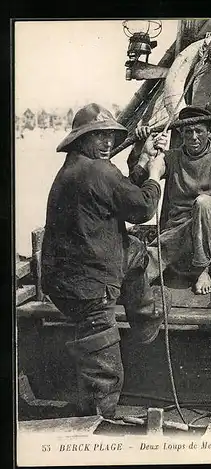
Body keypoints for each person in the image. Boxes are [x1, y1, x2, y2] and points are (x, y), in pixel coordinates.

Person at [41, 103, 171, 419]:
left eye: (111, 136)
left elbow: (116, 192)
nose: (108, 143)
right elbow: (140, 208)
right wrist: (155, 175)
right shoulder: (98, 170)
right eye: (99, 136)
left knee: (135, 250)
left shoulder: (79, 168)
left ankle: (144, 323)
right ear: (81, 139)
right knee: (104, 369)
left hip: (66, 278)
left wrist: (141, 160)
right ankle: (97, 423)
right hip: (88, 287)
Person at [128, 105, 211, 295]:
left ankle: (201, 269)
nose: (194, 137)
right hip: (179, 232)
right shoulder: (171, 158)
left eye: (199, 131)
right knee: (167, 244)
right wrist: (142, 151)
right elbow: (137, 183)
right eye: (188, 132)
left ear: (209, 131)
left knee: (203, 203)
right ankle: (135, 279)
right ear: (181, 133)